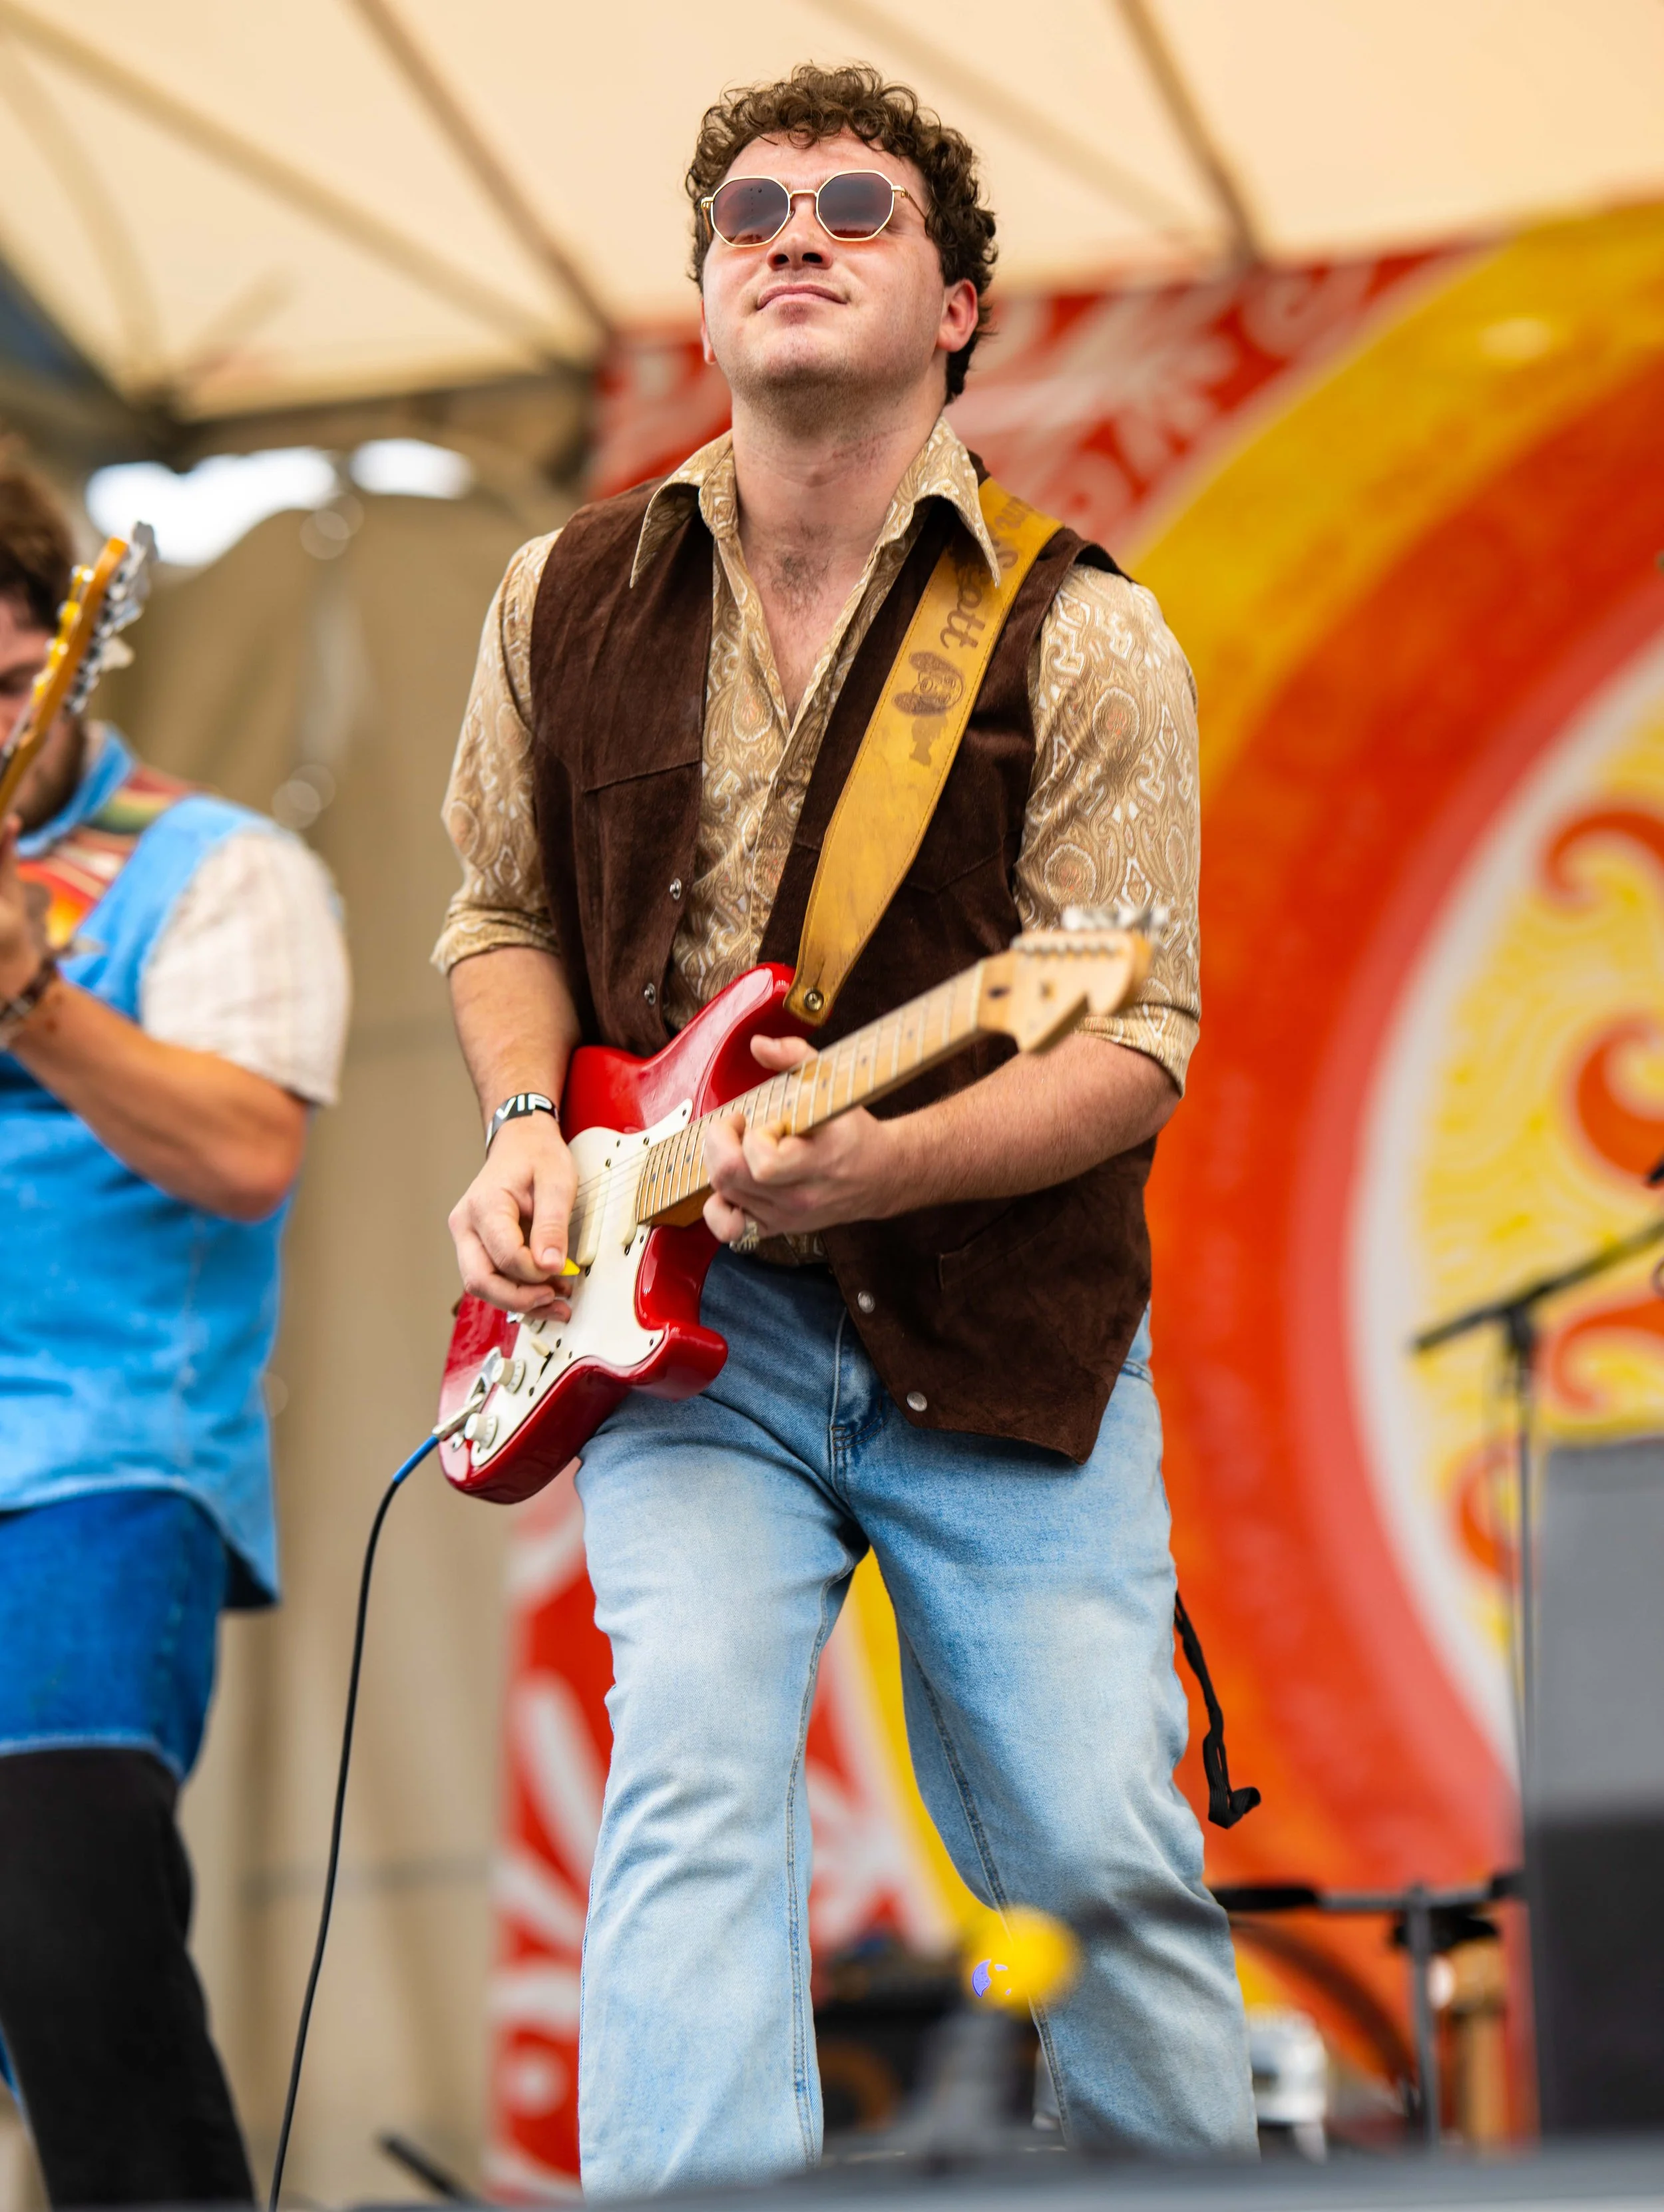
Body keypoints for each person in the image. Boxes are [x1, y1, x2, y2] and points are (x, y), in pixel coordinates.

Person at [437, 64, 1255, 2193]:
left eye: (854, 209)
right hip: (689, 1332)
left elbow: (1130, 1040)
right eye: (749, 212)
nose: (790, 232)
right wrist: (530, 1121)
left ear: (959, 303)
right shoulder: (560, 594)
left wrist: (883, 1158)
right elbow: (498, 912)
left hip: (992, 1319)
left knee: (1095, 1844)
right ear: (704, 294)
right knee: (693, 1785)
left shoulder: (1085, 636)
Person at [0, 462, 350, 2205]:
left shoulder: (220, 869)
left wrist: (38, 1003)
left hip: (100, 1461)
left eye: (2, 688)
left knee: (69, 1925)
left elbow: (245, 1151)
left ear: (70, 662)